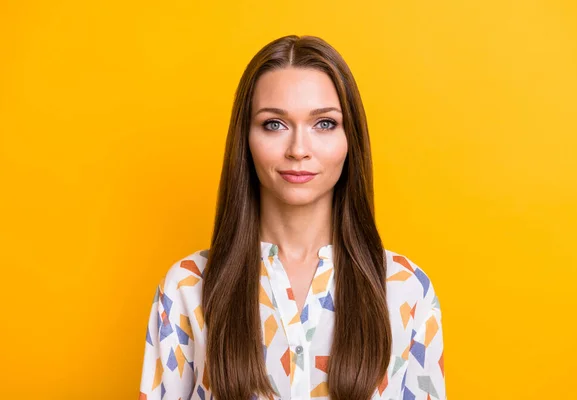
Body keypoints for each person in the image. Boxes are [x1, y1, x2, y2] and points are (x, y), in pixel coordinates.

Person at [138, 34, 446, 400]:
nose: (299, 150)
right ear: (245, 139)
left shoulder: (407, 289)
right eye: (274, 124)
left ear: (351, 140)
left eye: (324, 124)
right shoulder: (187, 289)